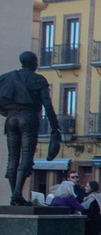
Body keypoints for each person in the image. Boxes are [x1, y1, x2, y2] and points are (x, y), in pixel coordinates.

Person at [1, 51, 59, 204]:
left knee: (12, 158)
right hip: (29, 118)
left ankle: (15, 195)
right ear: (34, 62)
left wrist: (6, 111)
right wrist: (55, 128)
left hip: (11, 118)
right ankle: (17, 193)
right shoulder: (38, 80)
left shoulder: (7, 77)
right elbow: (48, 105)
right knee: (26, 155)